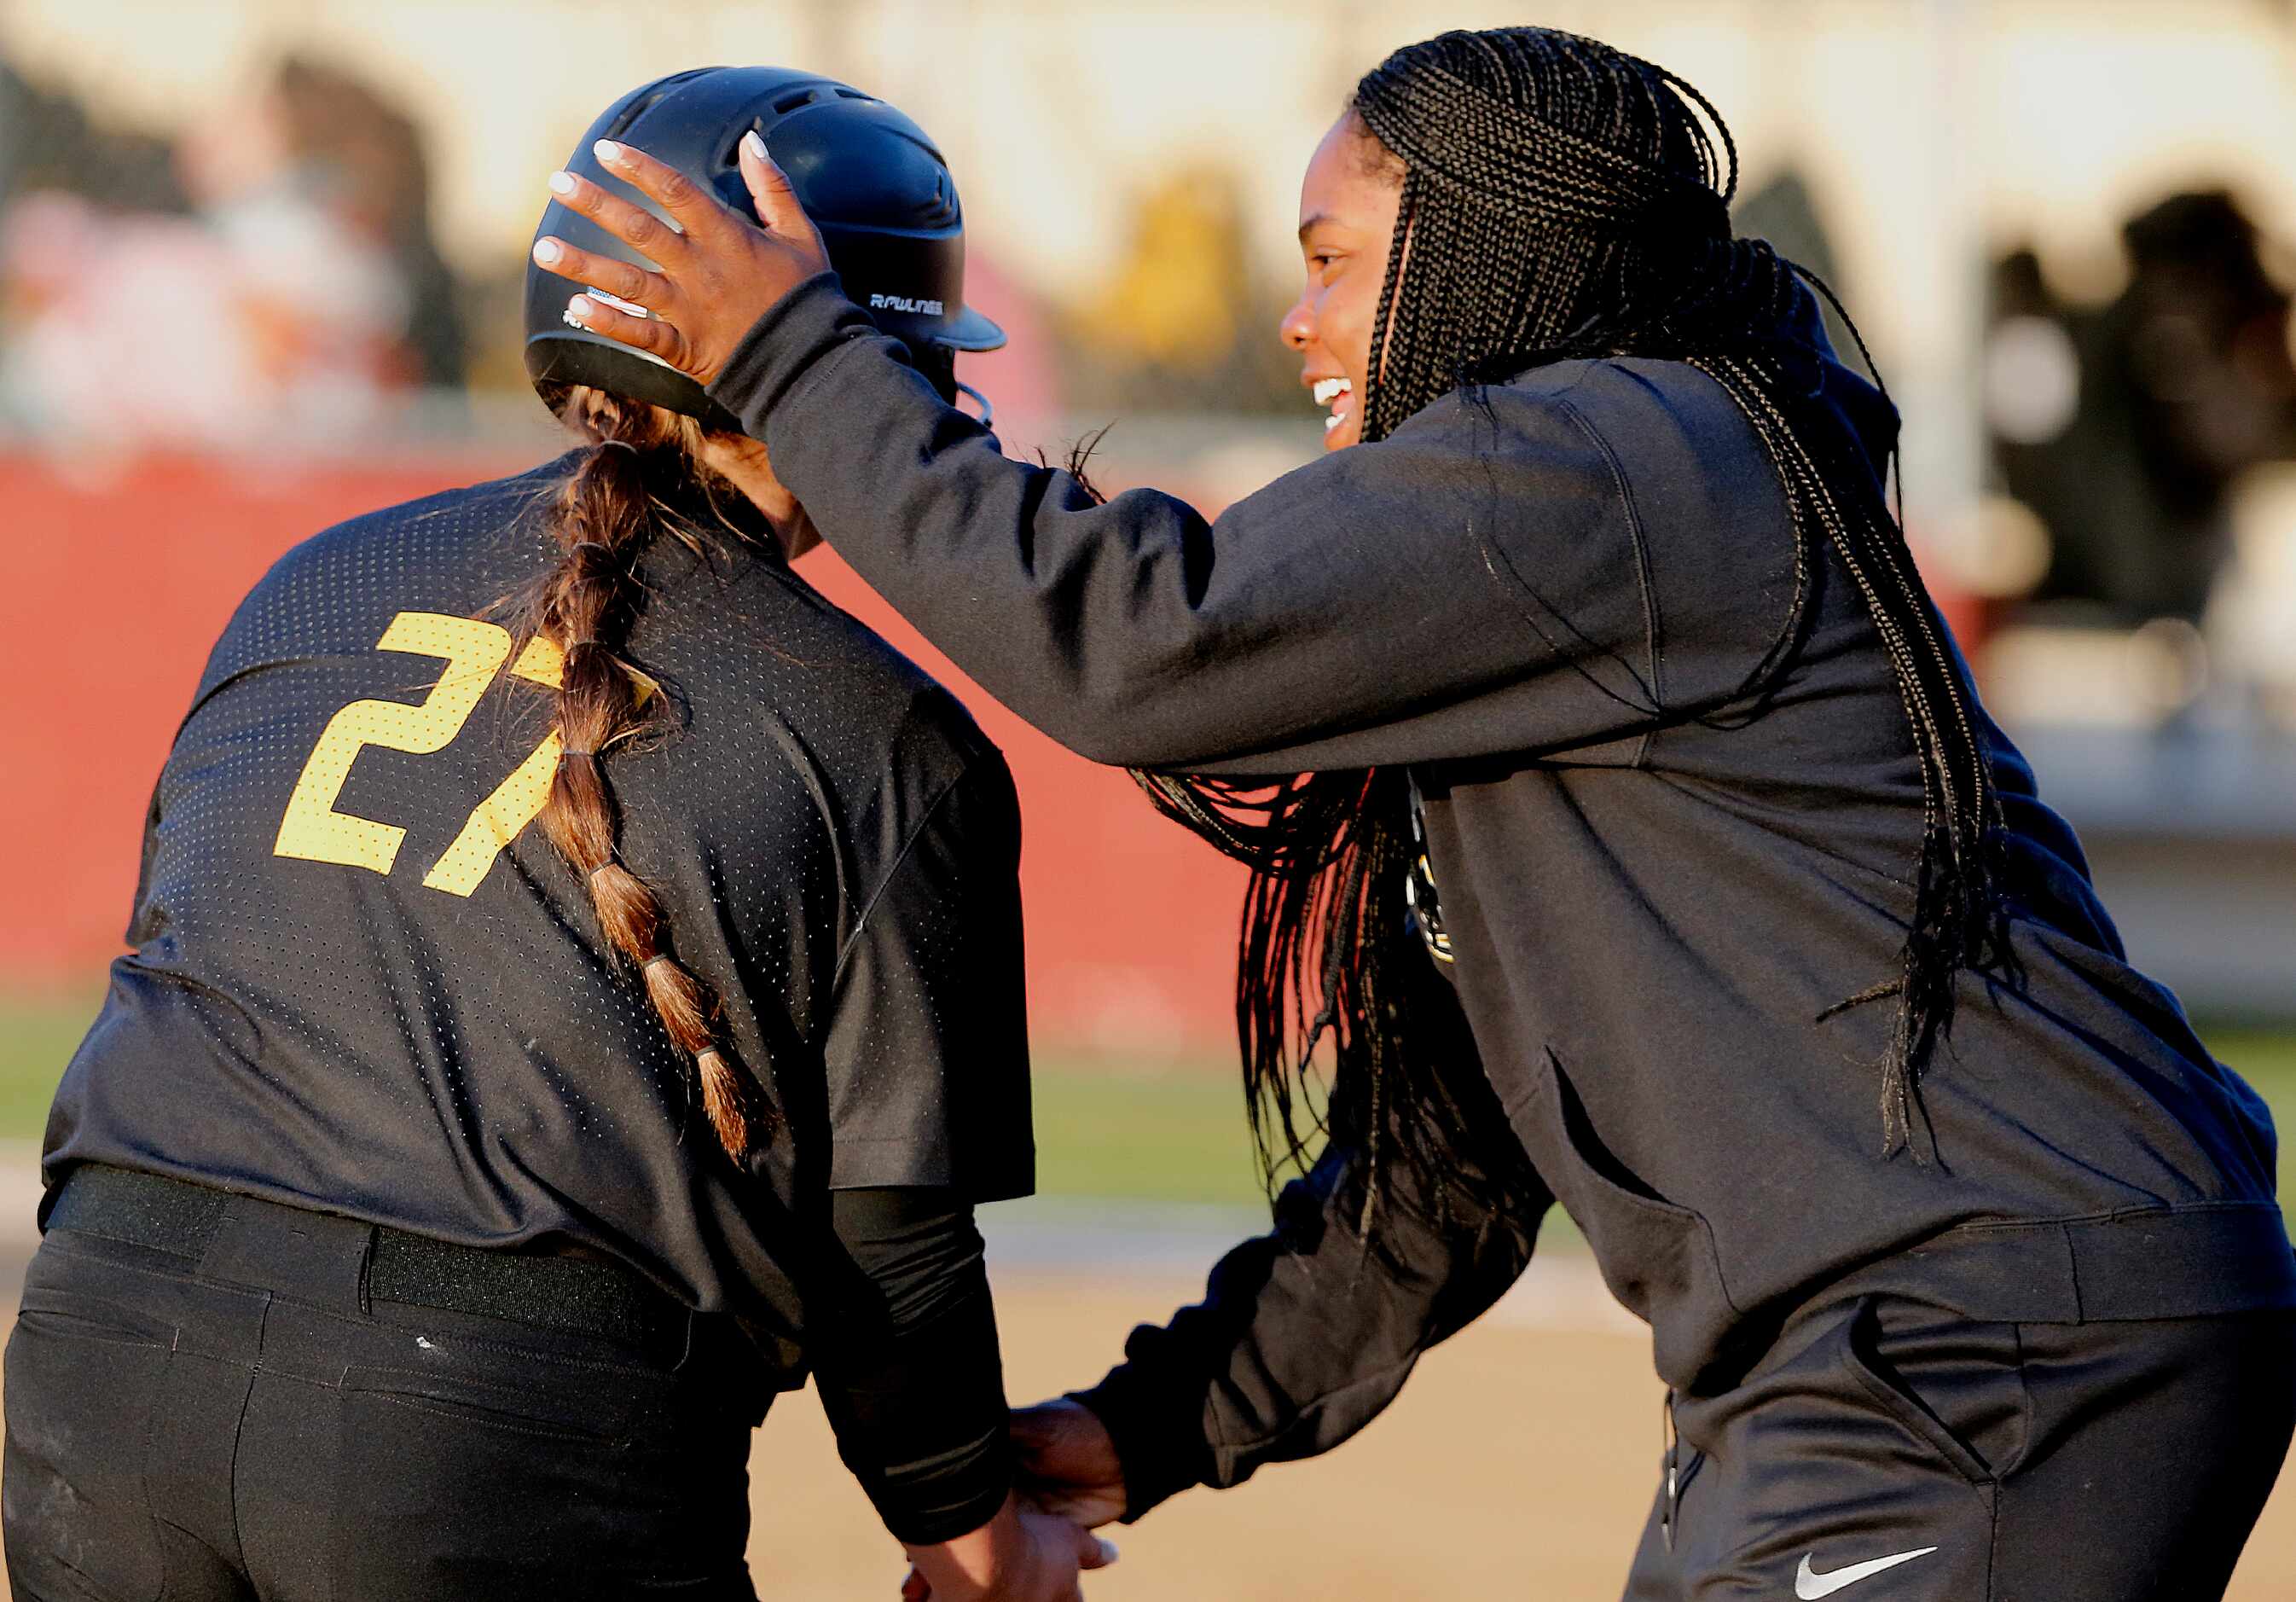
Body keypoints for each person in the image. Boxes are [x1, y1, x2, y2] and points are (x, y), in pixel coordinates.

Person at [536, 29, 2296, 1600]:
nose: (1295, 321)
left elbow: (1131, 643)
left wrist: (790, 354)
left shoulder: (1625, 460)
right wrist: (1155, 1426)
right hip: (1879, 1353)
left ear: (1486, 254)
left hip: (1996, 1342)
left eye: (1332, 264)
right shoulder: (1536, 592)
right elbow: (1432, 1182)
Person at [5, 67, 1113, 1602]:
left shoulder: (312, 578)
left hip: (94, 1362)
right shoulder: (884, 732)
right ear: (858, 366)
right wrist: (977, 1537)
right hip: (496, 1429)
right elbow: (889, 1242)